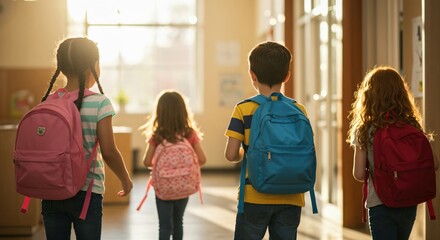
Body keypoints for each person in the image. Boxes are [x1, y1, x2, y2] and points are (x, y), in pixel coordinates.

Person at [40, 37, 133, 240]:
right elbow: (109, 151)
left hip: (52, 188)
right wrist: (125, 179)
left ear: (62, 67)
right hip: (87, 192)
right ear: (94, 66)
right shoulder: (100, 103)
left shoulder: (50, 100)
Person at [224, 41, 309, 240]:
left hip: (254, 194)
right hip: (292, 194)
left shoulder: (243, 109)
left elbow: (230, 155)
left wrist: (249, 151)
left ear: (252, 75)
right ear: (287, 75)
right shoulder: (299, 109)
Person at [347, 66, 439, 239]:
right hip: (408, 201)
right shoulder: (412, 125)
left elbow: (359, 173)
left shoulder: (365, 129)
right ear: (401, 94)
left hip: (379, 204)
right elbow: (434, 164)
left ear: (368, 95)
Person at [142, 90, 207, 240]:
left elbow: (146, 162)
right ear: (183, 111)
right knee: (179, 222)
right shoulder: (190, 134)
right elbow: (202, 159)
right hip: (184, 186)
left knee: (164, 225)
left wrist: (162, 167)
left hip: (163, 187)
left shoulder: (157, 135)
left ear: (159, 112)